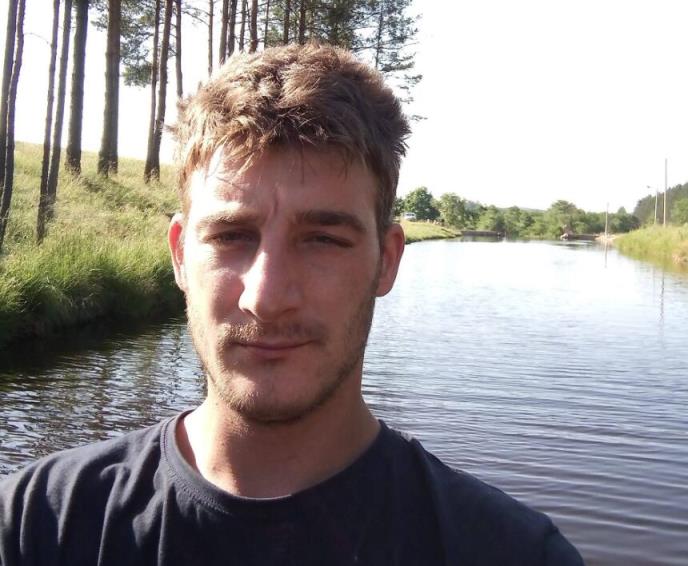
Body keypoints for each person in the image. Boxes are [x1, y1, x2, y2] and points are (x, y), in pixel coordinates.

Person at [0, 44, 583, 565]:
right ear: (179, 254)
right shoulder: (34, 525)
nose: (267, 297)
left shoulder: (510, 553)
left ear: (386, 260)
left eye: (323, 239)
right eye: (231, 236)